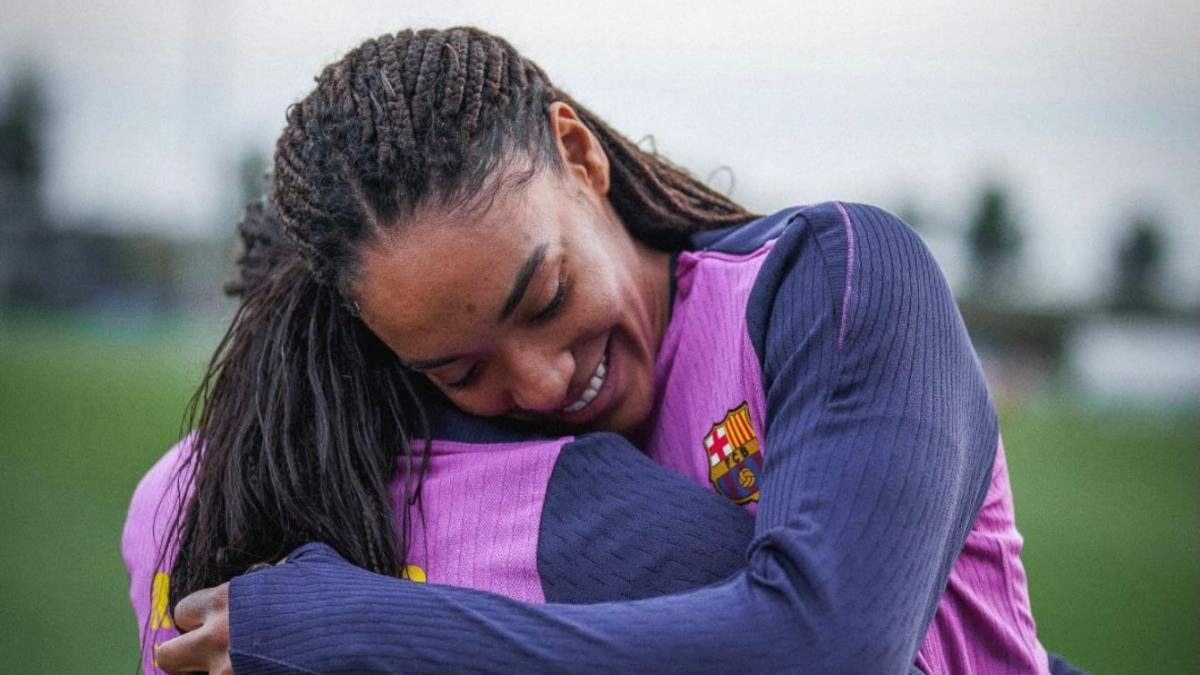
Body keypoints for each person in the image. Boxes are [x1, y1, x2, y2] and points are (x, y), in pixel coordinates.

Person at [149, 26, 1081, 674]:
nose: (540, 381)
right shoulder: (467, 456)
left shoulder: (831, 282)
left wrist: (361, 627)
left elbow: (827, 649)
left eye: (546, 297)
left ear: (580, 154)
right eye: (462, 370)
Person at [122, 198, 757, 673]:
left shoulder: (165, 492)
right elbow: (786, 630)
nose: (544, 387)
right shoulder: (581, 505)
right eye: (463, 371)